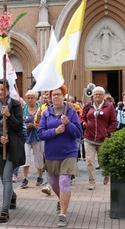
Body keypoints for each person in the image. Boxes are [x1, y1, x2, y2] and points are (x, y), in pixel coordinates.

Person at [37, 85, 83, 227]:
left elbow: (78, 133)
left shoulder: (71, 112)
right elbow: (40, 133)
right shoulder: (46, 113)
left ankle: (62, 213)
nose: (56, 97)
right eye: (53, 95)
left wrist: (68, 124)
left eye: (58, 94)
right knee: (55, 183)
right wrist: (55, 131)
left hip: (68, 153)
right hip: (51, 154)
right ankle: (62, 200)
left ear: (64, 96)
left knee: (64, 181)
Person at [0, 79, 25, 223]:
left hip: (13, 147)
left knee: (6, 178)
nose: (0, 92)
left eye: (2, 89)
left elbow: (18, 126)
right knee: (4, 178)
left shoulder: (15, 105)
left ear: (8, 90)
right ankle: (12, 196)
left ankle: (4, 211)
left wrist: (9, 115)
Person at [80, 86, 117, 190]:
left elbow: (113, 122)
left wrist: (108, 132)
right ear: (93, 95)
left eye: (100, 94)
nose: (97, 96)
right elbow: (82, 117)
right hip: (89, 138)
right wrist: (83, 122)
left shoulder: (109, 107)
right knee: (89, 161)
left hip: (103, 139)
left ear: (103, 96)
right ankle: (92, 183)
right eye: (95, 94)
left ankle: (107, 174)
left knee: (103, 161)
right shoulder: (88, 106)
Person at [20, 90, 44, 188]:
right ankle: (25, 178)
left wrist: (33, 125)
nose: (30, 100)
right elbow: (20, 120)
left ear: (36, 99)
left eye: (32, 98)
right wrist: (25, 126)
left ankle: (40, 176)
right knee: (26, 157)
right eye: (28, 98)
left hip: (37, 137)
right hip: (26, 137)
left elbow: (43, 122)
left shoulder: (40, 109)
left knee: (38, 158)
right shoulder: (24, 108)